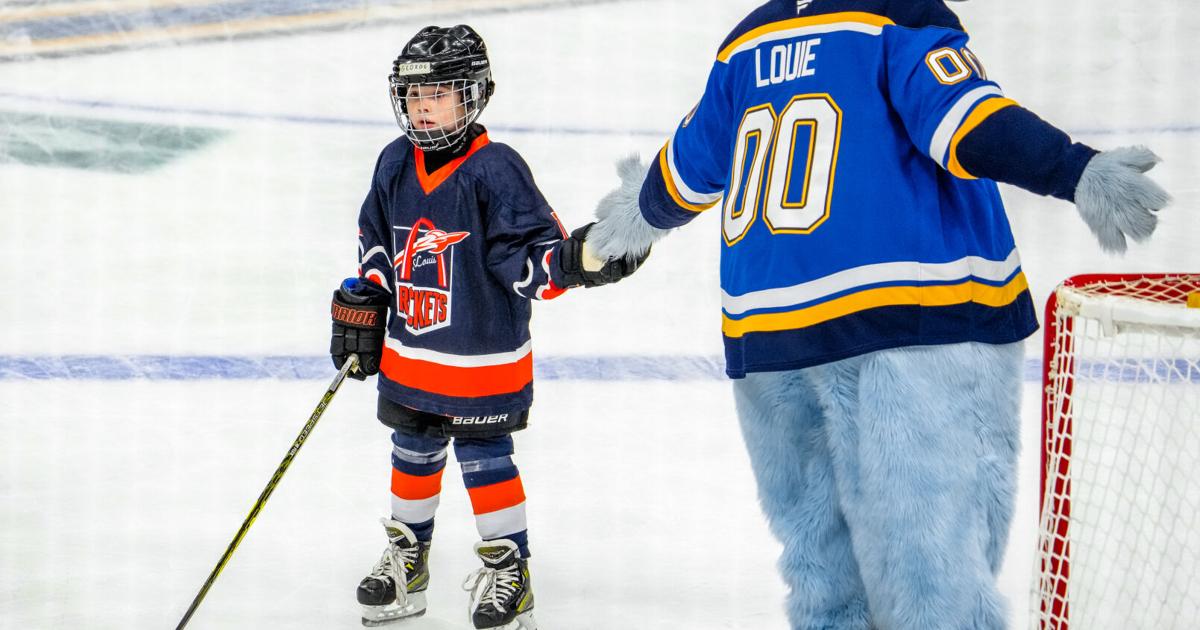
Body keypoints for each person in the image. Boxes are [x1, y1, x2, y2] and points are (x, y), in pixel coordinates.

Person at [580, 0, 1170, 628]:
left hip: (768, 329)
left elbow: (688, 167)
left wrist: (633, 218)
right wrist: (1075, 169)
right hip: (907, 319)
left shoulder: (746, 43)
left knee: (823, 577)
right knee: (932, 574)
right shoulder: (897, 13)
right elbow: (965, 121)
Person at [328, 24, 640, 630]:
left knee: (485, 458)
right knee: (410, 451)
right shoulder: (394, 162)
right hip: (410, 359)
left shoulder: (495, 169)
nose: (422, 108)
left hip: (482, 364)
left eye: (438, 95)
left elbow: (532, 263)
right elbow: (375, 243)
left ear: (471, 96)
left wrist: (587, 258)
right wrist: (361, 302)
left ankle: (509, 571)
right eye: (415, 96)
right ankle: (408, 559)